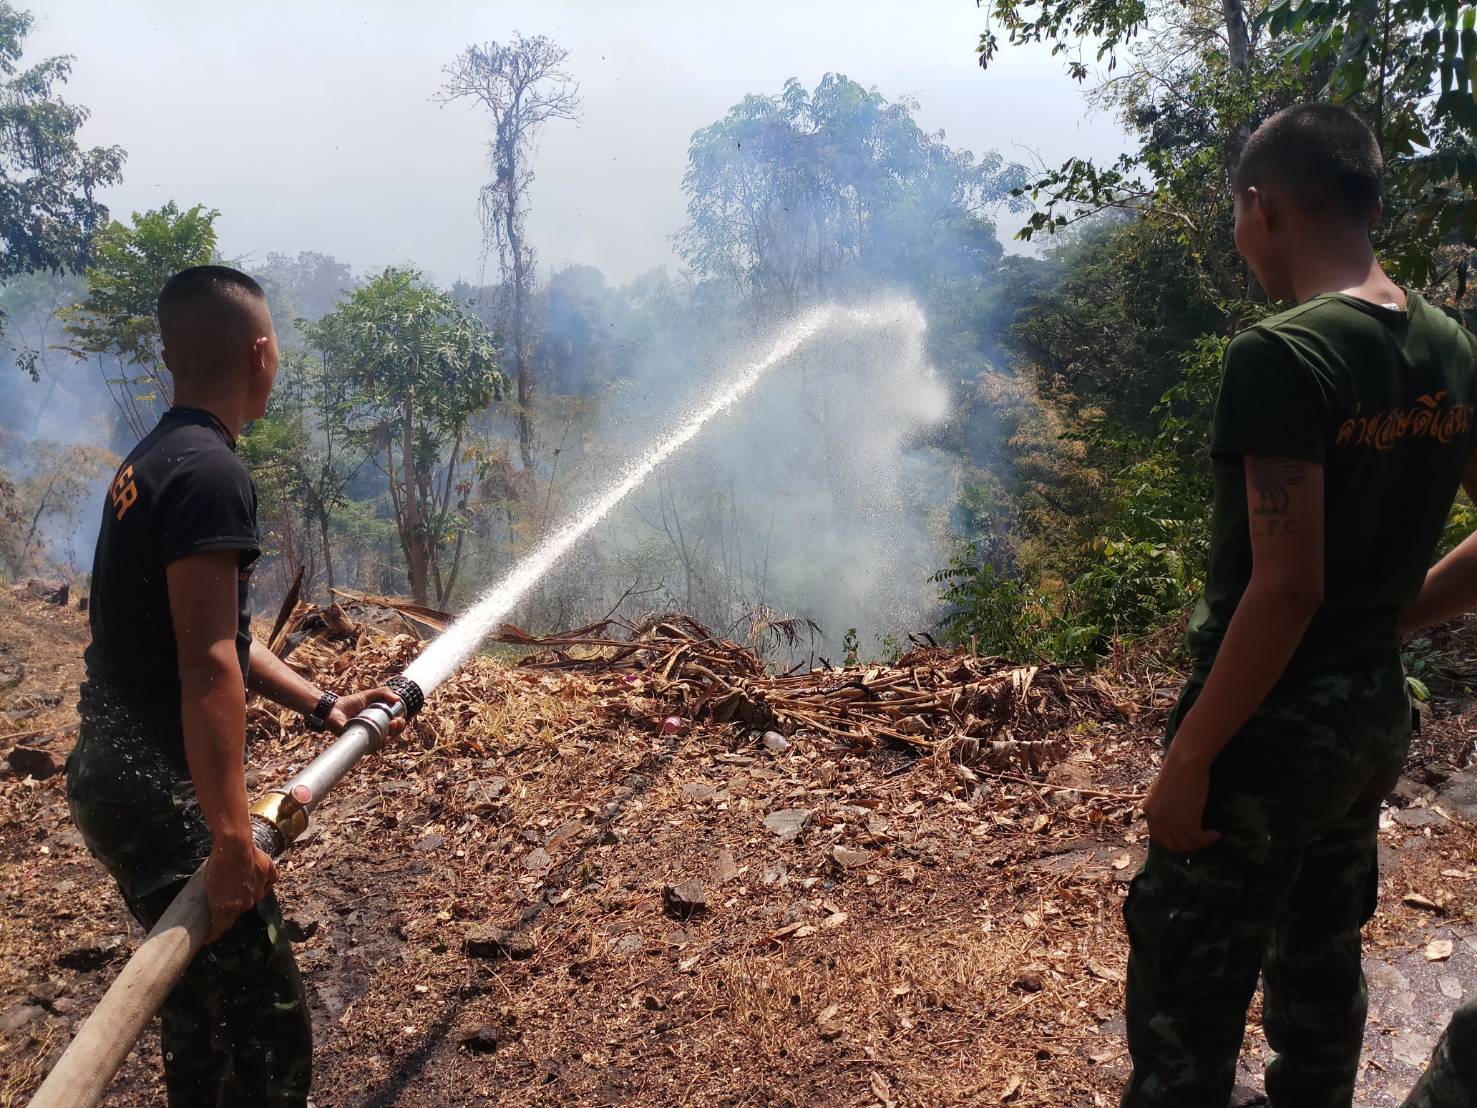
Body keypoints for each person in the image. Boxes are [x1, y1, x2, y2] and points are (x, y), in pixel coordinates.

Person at [1121, 104, 1477, 1108]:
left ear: (1259, 206)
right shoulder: (1448, 347)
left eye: (1239, 218)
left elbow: (1285, 588)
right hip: (1370, 715)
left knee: (1185, 1000)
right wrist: (1387, 628)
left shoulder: (1281, 356)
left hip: (1265, 733)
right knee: (1320, 966)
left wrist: (1189, 756)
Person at [66, 264, 404, 1107]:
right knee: (262, 1032)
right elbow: (205, 664)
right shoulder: (213, 472)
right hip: (160, 790)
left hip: (115, 775)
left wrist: (326, 704)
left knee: (201, 1015)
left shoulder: (152, 460)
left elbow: (219, 637)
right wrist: (227, 840)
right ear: (261, 351)